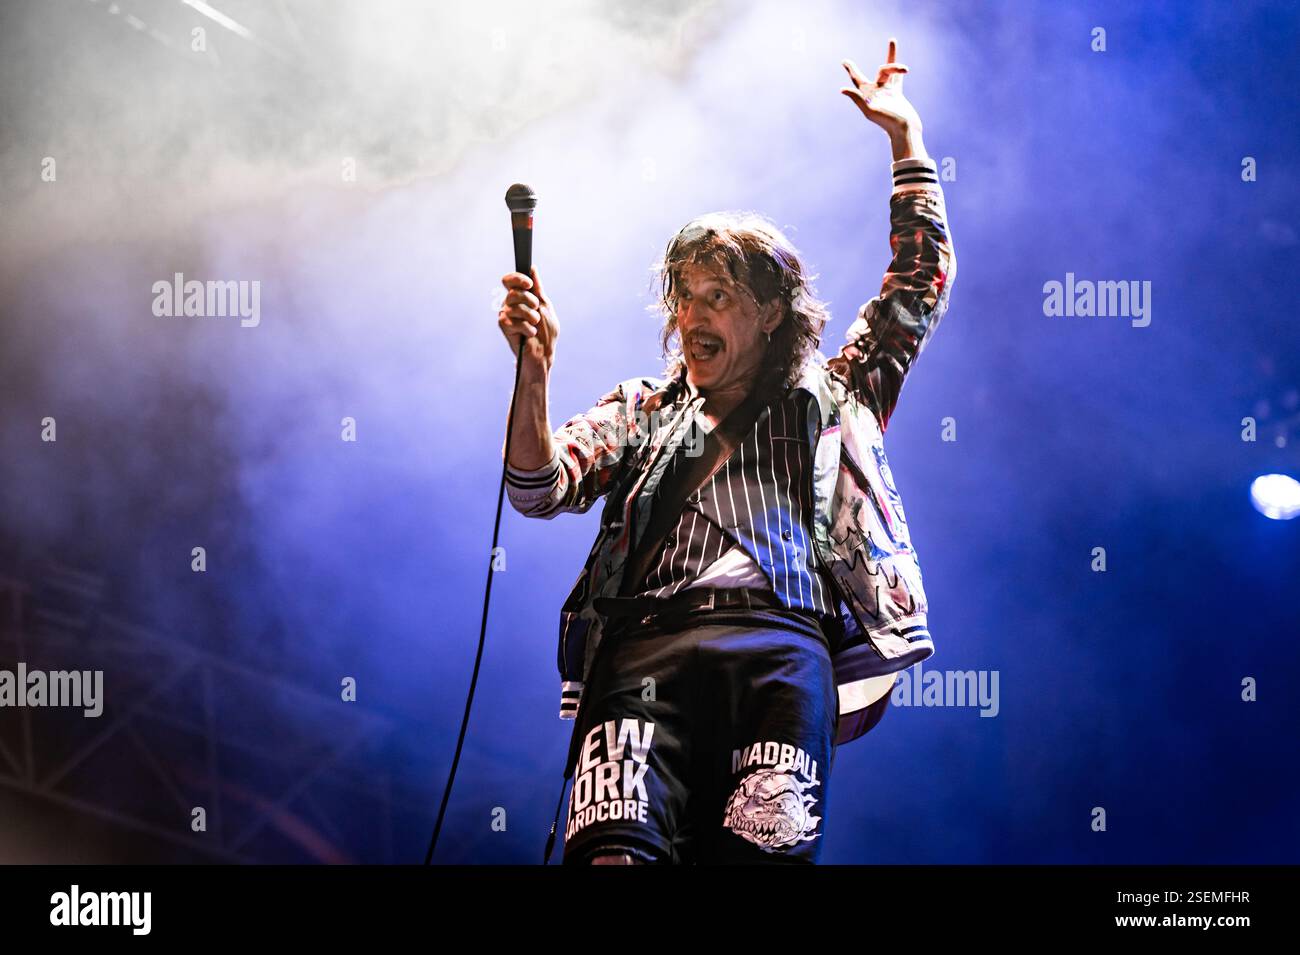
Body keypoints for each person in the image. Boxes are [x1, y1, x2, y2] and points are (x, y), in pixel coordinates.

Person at [498, 39, 956, 864]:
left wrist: (906, 139)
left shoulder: (837, 394)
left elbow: (917, 284)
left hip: (782, 649)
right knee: (612, 858)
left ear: (772, 311)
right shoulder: (644, 409)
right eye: (682, 300)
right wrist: (535, 370)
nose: (691, 317)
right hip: (644, 648)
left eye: (718, 296)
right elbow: (537, 485)